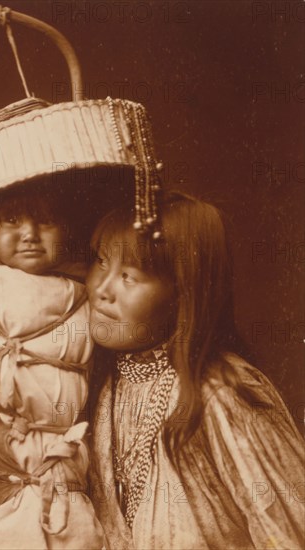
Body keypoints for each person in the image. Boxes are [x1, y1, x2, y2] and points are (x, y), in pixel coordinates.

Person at [86, 191, 305, 550]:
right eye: (99, 262)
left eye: (129, 276)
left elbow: (290, 528)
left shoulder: (222, 392)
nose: (101, 289)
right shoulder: (104, 381)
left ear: (182, 293)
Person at [0, 186, 105, 549]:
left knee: (76, 528)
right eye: (12, 220)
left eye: (46, 220)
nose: (30, 233)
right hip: (7, 453)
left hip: (68, 451)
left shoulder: (91, 290)